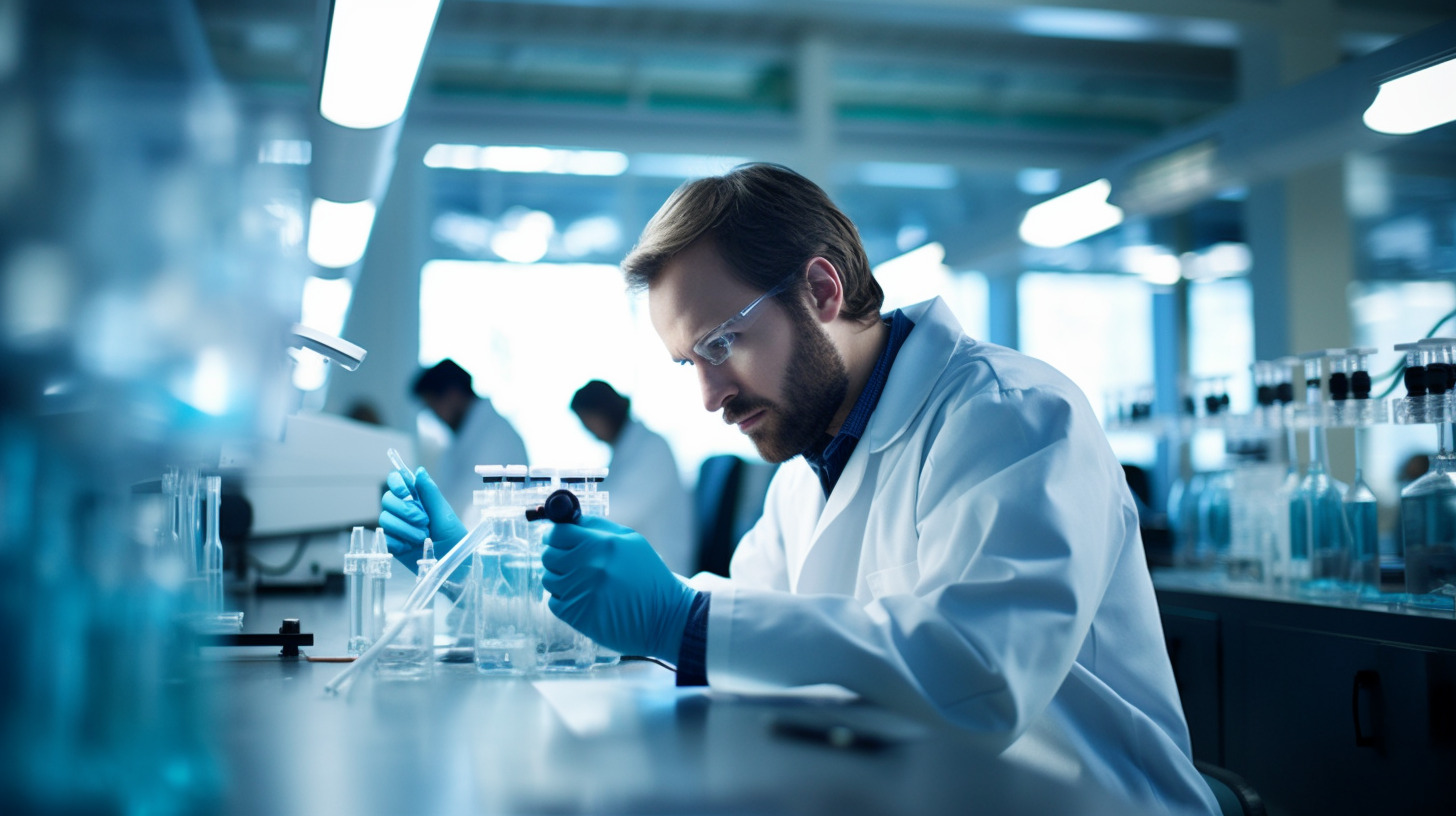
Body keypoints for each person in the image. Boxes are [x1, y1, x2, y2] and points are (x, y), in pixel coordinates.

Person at [381, 164, 1217, 814]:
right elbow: (740, 644)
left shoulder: (1012, 417)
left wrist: (689, 619)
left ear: (821, 291)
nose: (709, 398)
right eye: (689, 364)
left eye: (721, 344)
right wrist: (475, 578)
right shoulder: (804, 471)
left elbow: (984, 674)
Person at [570, 380, 695, 575]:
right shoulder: (625, 449)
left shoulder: (652, 448)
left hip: (663, 569)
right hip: (633, 562)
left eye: (588, 421)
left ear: (604, 411)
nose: (589, 431)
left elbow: (618, 512)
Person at [411, 358, 528, 516]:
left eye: (433, 406)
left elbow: (470, 508)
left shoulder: (496, 436)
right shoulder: (464, 435)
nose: (435, 416)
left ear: (454, 395)